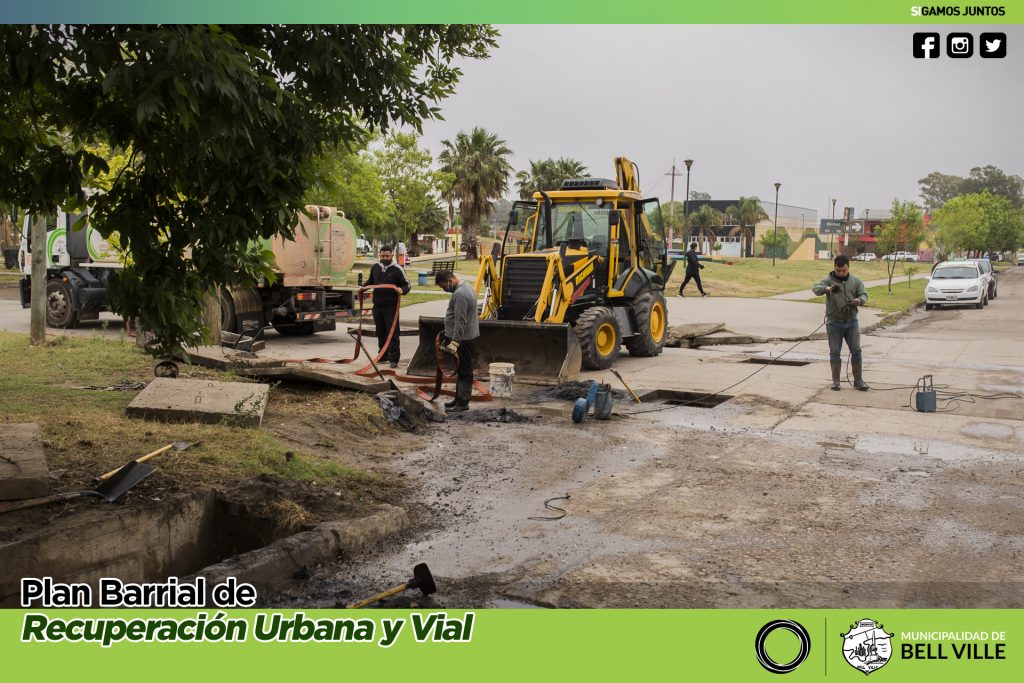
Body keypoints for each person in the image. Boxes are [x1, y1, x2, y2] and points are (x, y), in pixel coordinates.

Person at [812, 255, 869, 391]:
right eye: (838, 271)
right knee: (835, 351)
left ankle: (858, 381)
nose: (841, 273)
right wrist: (828, 289)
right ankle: (836, 382)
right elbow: (816, 288)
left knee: (856, 350)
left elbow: (864, 295)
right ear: (834, 268)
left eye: (844, 270)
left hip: (851, 322)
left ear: (848, 267)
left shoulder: (856, 281)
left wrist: (857, 301)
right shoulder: (828, 280)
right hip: (834, 323)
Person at [434, 270, 480, 413]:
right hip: (465, 338)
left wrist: (455, 342)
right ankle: (458, 399)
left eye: (444, 287)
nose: (445, 290)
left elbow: (460, 321)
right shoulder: (467, 287)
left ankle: (463, 403)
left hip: (463, 339)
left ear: (449, 281)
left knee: (465, 370)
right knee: (461, 369)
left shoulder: (460, 294)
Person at [364, 246, 410, 369]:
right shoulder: (376, 267)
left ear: (392, 255)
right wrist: (363, 287)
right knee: (380, 331)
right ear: (379, 255)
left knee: (393, 333)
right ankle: (383, 356)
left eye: (387, 256)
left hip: (391, 307)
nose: (384, 258)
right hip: (377, 306)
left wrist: (402, 290)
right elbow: (371, 281)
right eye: (382, 256)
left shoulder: (397, 269)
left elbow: (407, 284)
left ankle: (394, 359)